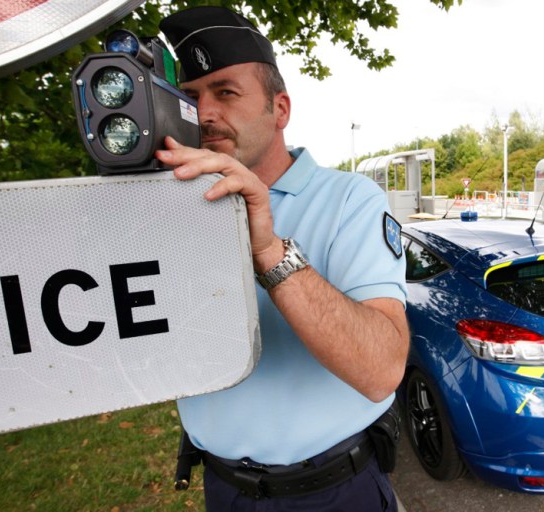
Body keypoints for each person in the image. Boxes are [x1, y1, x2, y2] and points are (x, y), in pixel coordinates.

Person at [156, 6, 409, 511]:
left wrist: (269, 250)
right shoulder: (169, 209)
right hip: (224, 488)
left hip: (335, 490)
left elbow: (383, 367)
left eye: (226, 92)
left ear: (280, 110)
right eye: (190, 97)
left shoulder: (350, 199)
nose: (203, 113)